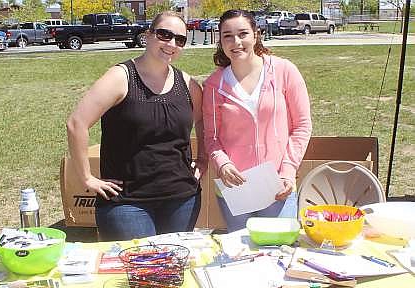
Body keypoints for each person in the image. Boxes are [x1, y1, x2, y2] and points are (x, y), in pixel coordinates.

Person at [66, 11, 206, 241]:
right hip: (128, 203)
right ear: (148, 35)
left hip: (182, 199)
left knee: (172, 271)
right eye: (164, 34)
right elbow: (77, 123)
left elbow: (202, 122)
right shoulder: (121, 77)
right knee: (138, 274)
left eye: (179, 39)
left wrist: (203, 159)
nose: (171, 44)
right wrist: (86, 178)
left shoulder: (188, 84)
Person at [203, 9, 312, 232]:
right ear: (220, 40)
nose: (236, 42)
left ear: (256, 34)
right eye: (228, 36)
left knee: (280, 255)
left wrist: (288, 172)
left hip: (278, 186)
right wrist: (222, 164)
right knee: (242, 257)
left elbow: (302, 126)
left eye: (243, 33)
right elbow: (211, 137)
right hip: (235, 190)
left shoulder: (284, 71)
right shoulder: (214, 85)